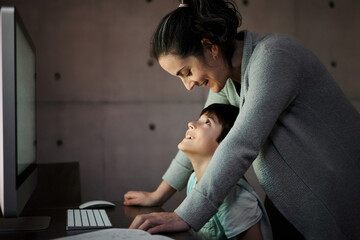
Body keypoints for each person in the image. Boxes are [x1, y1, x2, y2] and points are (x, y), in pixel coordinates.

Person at [124, 0, 360, 239]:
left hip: (334, 189)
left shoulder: (273, 58)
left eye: (187, 72)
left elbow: (240, 144)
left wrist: (185, 215)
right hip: (290, 194)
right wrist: (158, 195)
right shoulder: (226, 78)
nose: (188, 85)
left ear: (210, 46)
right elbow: (197, 139)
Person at [126, 103, 272, 239]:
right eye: (199, 120)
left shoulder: (235, 196)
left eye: (207, 122)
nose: (191, 123)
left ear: (226, 144)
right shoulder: (193, 179)